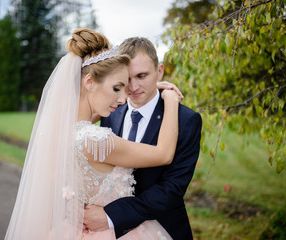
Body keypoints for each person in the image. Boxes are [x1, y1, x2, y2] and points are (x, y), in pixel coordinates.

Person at [4, 28, 182, 240]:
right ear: (89, 82)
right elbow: (163, 154)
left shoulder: (63, 130)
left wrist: (149, 90)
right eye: (117, 88)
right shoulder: (96, 140)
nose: (123, 98)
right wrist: (170, 100)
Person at [83, 37, 202, 239]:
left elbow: (172, 189)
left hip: (162, 229)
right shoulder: (110, 112)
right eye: (127, 79)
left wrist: (111, 216)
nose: (133, 87)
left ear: (160, 71)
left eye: (142, 76)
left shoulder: (186, 120)